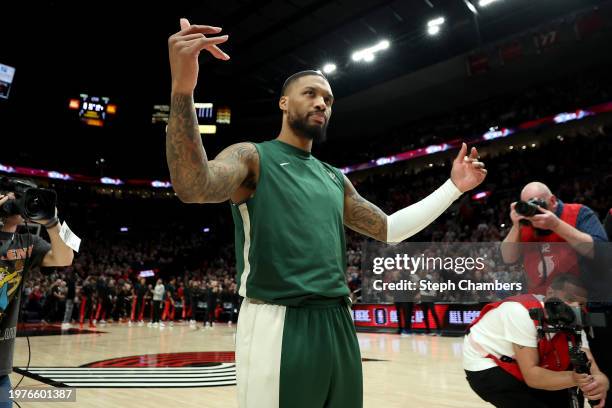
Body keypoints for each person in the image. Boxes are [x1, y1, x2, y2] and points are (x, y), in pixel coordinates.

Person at [166, 18, 487, 408]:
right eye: (311, 93)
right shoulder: (252, 156)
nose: (322, 103)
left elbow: (390, 229)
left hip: (338, 321)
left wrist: (454, 187)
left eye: (329, 99)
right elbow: (193, 186)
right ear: (284, 103)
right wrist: (183, 90)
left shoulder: (335, 178)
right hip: (279, 321)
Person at [464, 273, 609, 407]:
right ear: (550, 293)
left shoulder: (575, 316)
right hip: (487, 361)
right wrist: (574, 378)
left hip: (527, 359)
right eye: (570, 299)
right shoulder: (520, 312)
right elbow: (532, 376)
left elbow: (586, 355)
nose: (575, 307)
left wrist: (600, 380)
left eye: (581, 304)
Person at [0, 191, 74, 408]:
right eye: (10, 196)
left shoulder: (27, 242)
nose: (16, 202)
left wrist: (52, 222)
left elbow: (65, 257)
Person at [500, 181, 608, 294]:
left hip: (579, 297)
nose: (532, 209)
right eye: (526, 205)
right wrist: (516, 227)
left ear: (552, 201)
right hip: (538, 298)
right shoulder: (524, 224)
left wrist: (556, 225)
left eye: (534, 203)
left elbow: (601, 251)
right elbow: (508, 259)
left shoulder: (578, 213)